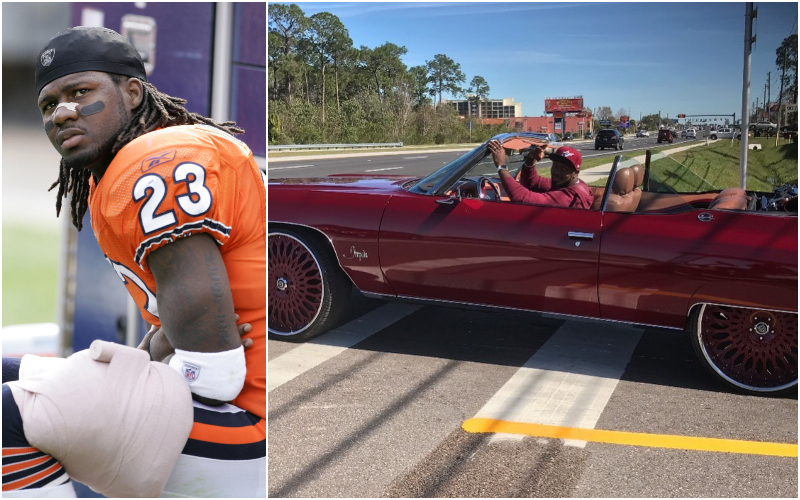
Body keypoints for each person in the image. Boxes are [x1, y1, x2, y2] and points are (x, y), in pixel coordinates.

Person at [3, 26, 265, 497]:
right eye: (48, 105)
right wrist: (160, 349)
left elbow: (217, 378)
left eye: (80, 92)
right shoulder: (126, 167)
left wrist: (157, 361)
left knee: (5, 417)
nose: (62, 113)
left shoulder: (155, 160)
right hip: (226, 405)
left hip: (249, 424)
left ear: (132, 91)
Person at [488, 139, 593, 209]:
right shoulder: (568, 184)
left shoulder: (569, 197)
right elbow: (533, 183)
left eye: (563, 168)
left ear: (576, 172)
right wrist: (530, 160)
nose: (556, 171)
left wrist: (501, 167)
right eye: (555, 166)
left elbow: (523, 198)